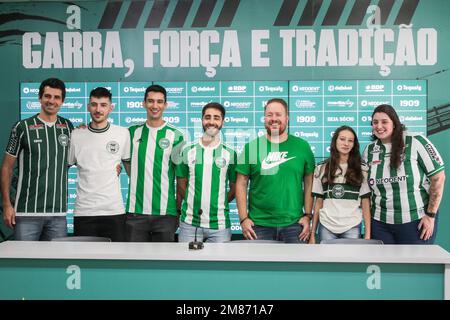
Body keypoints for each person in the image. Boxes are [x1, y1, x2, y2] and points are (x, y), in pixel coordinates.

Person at [1, 78, 73, 240]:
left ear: (62, 101)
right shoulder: (22, 127)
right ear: (40, 98)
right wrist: (7, 204)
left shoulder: (68, 127)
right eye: (47, 96)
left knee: (57, 264)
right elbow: (6, 168)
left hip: (58, 214)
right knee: (24, 263)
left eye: (56, 97)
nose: (51, 101)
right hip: (27, 214)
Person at [362, 104, 445, 244]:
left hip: (415, 222)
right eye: (375, 122)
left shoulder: (416, 141)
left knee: (416, 266)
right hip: (380, 224)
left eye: (384, 121)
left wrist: (431, 215)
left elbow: (438, 177)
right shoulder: (369, 150)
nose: (379, 126)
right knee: (384, 266)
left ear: (394, 123)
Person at [235, 98, 315, 243]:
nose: (274, 119)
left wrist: (308, 215)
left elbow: (309, 182)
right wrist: (243, 219)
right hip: (258, 226)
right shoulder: (251, 147)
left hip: (294, 225)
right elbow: (241, 183)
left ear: (287, 118)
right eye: (269, 115)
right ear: (265, 118)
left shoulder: (302, 146)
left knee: (295, 265)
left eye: (278, 114)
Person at [68, 87, 130, 241]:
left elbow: (130, 170)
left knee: (116, 262)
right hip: (84, 212)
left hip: (114, 211)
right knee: (85, 263)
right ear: (88, 107)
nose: (98, 109)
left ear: (111, 108)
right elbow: (65, 165)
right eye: (94, 104)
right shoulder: (76, 135)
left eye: (103, 105)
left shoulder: (123, 133)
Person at [125, 84, 185, 242]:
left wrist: (178, 209)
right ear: (143, 103)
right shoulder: (131, 132)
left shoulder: (176, 136)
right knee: (134, 264)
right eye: (150, 101)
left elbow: (180, 178)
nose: (155, 106)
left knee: (164, 264)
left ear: (165, 105)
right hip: (135, 212)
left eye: (159, 102)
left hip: (166, 214)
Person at [176, 102, 237, 243]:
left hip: (220, 226)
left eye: (216, 118)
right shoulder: (187, 151)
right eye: (207, 117)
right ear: (202, 120)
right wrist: (193, 202)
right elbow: (180, 184)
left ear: (222, 121)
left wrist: (217, 203)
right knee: (187, 264)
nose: (211, 121)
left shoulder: (230, 153)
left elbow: (234, 189)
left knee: (220, 265)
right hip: (189, 224)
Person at [309, 126, 371, 244]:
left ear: (354, 144)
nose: (346, 143)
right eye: (342, 139)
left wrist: (367, 234)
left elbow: (365, 202)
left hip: (352, 226)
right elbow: (318, 202)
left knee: (350, 262)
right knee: (327, 261)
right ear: (335, 141)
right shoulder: (321, 168)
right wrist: (313, 233)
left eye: (350, 140)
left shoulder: (362, 168)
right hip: (327, 226)